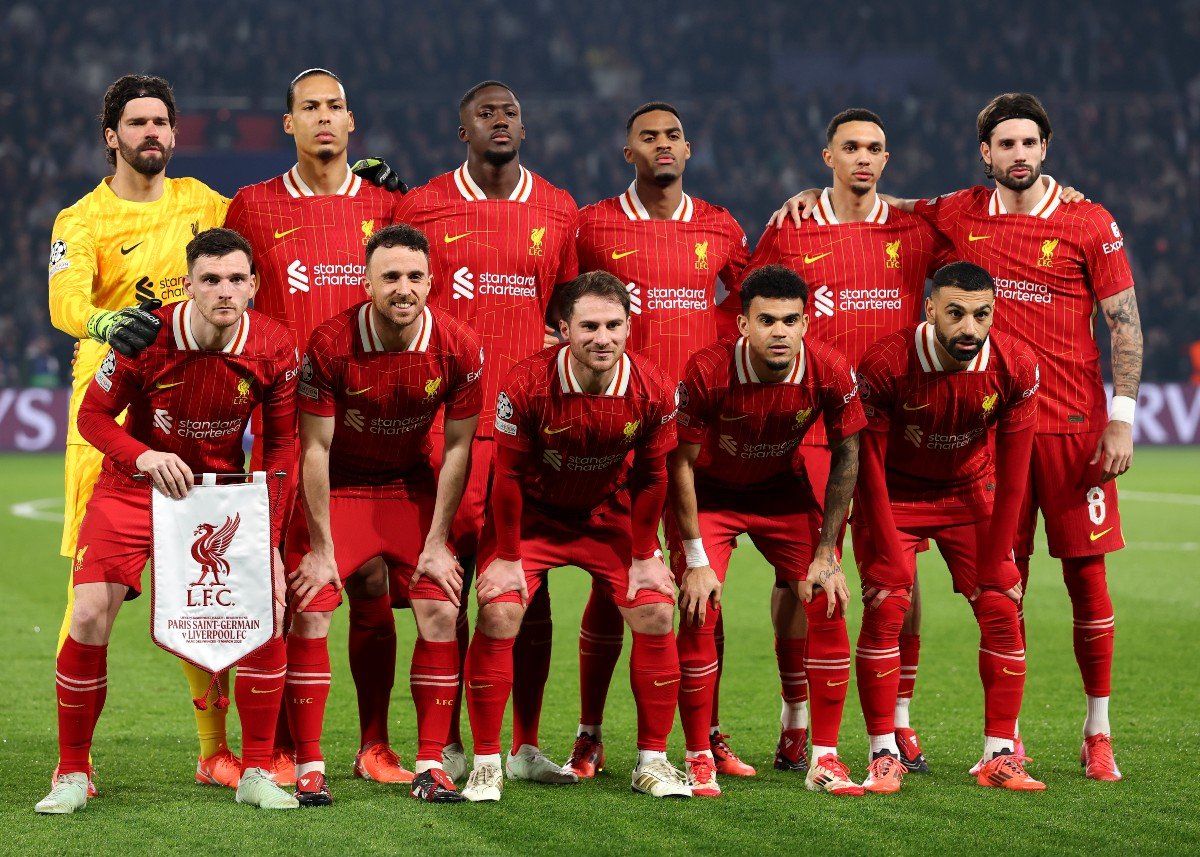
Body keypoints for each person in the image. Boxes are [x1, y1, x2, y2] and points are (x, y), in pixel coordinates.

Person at [36, 228, 299, 814]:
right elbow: (93, 417)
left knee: (268, 609)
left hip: (217, 497)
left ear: (254, 285)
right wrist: (143, 456)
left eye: (236, 279)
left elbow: (283, 448)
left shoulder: (276, 347)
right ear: (191, 284)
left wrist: (270, 540)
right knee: (87, 611)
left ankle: (256, 770)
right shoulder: (149, 337)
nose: (224, 292)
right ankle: (72, 772)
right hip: (133, 487)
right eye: (210, 280)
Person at [223, 67, 411, 787]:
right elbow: (235, 305)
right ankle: (276, 747)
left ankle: (373, 744)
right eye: (310, 107)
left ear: (352, 120)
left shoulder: (388, 203)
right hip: (294, 433)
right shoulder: (254, 206)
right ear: (288, 123)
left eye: (335, 106)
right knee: (286, 591)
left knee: (369, 585)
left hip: (379, 430)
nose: (324, 118)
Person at [47, 74, 235, 792]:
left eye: (161, 122)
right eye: (137, 123)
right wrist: (101, 321)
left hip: (190, 420)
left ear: (173, 133)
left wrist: (354, 189)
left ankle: (215, 749)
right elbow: (65, 298)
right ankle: (77, 757)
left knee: (199, 591)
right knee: (89, 597)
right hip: (104, 424)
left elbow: (263, 243)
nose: (151, 133)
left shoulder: (204, 204)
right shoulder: (81, 219)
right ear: (112, 137)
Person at [746, 108, 947, 775]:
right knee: (800, 575)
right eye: (851, 147)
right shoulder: (792, 228)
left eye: (875, 148)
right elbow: (752, 309)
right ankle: (795, 714)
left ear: (887, 161)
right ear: (826, 155)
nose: (863, 157)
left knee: (899, 575)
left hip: (892, 428)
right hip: (810, 427)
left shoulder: (916, 231)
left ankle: (900, 719)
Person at [395, 80, 578, 783]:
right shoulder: (425, 205)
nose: (500, 121)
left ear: (523, 130)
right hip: (448, 427)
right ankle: (441, 743)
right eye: (485, 113)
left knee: (526, 591)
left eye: (510, 113)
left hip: (531, 432)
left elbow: (566, 315)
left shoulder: (557, 208)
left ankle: (525, 744)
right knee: (445, 582)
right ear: (460, 130)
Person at [566, 101, 751, 778]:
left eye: (673, 134)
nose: (663, 144)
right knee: (614, 580)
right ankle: (589, 732)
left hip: (698, 438)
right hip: (619, 432)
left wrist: (720, 343)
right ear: (629, 154)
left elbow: (750, 296)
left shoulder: (720, 225)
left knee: (704, 582)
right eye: (648, 136)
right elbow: (563, 302)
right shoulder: (593, 225)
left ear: (688, 147)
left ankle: (709, 730)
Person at [461, 271, 685, 802]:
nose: (602, 338)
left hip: (605, 516)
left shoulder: (654, 388)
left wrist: (644, 553)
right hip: (532, 516)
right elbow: (508, 477)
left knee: (654, 607)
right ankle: (490, 764)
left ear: (630, 326)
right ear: (563, 328)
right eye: (588, 326)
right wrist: (509, 557)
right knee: (499, 608)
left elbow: (653, 477)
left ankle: (652, 762)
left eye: (613, 325)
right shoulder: (527, 383)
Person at [285, 224, 480, 805]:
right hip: (337, 490)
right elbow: (312, 450)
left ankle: (429, 761)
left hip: (404, 488)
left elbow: (457, 448)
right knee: (312, 608)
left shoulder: (459, 345)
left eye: (415, 276)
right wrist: (321, 550)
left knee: (440, 605)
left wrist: (439, 541)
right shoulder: (329, 343)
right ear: (366, 282)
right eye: (390, 276)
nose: (403, 288)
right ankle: (309, 765)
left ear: (431, 281)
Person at [669, 264, 864, 797]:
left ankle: (823, 756)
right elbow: (679, 464)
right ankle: (697, 754)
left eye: (791, 320)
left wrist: (828, 550)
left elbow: (849, 451)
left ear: (807, 323)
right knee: (698, 603)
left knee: (827, 595)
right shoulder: (707, 370)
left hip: (781, 491)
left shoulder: (828, 368)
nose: (780, 331)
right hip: (711, 495)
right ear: (742, 325)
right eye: (767, 320)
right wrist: (694, 557)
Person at [853, 261, 1043, 793]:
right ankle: (882, 751)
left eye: (982, 314)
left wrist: (1001, 553)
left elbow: (1015, 473)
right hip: (894, 495)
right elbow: (868, 465)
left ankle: (1000, 754)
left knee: (1003, 604)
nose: (969, 327)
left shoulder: (1016, 365)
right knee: (887, 601)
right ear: (930, 307)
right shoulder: (887, 362)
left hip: (968, 493)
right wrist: (888, 548)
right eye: (955, 313)